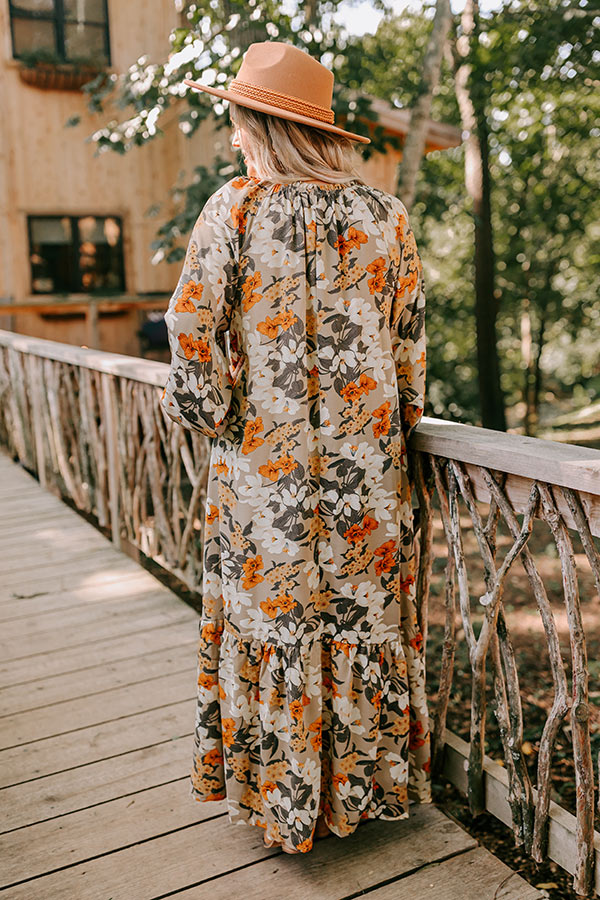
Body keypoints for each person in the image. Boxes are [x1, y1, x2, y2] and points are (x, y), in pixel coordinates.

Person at [161, 40, 431, 855]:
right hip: (368, 479)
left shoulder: (235, 210)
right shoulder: (385, 216)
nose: (234, 133)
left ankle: (285, 805)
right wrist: (394, 425)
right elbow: (409, 343)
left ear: (261, 127)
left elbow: (189, 330)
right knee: (362, 623)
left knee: (272, 625)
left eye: (239, 119)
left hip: (262, 478)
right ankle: (359, 794)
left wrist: (217, 419)